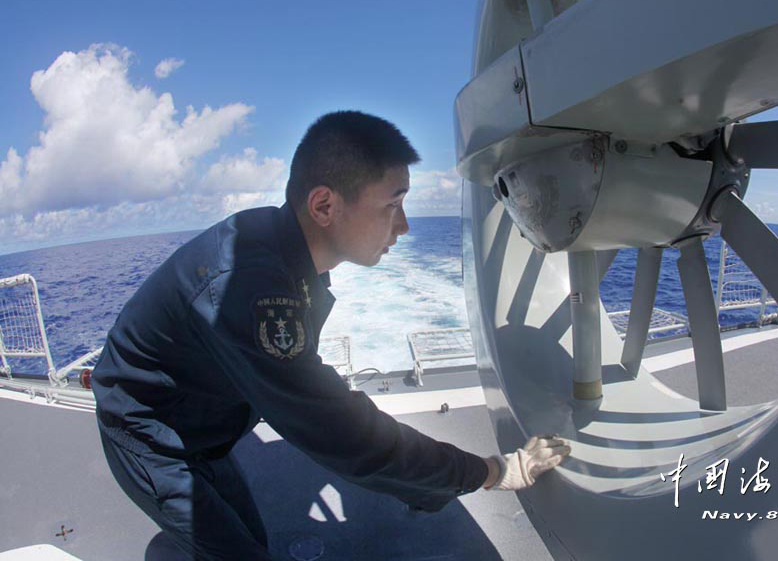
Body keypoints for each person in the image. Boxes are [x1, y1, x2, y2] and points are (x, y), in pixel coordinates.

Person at [92, 110, 571, 560]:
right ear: (324, 205)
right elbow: (343, 433)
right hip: (151, 430)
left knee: (243, 538)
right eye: (393, 204)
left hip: (206, 420)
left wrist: (427, 483)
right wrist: (490, 471)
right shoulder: (249, 289)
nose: (403, 226)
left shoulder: (284, 251)